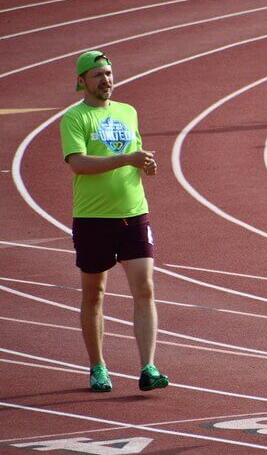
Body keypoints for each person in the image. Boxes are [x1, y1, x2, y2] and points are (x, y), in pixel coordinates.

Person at [60, 51, 169, 393]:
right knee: (95, 294)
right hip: (93, 218)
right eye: (97, 75)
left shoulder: (128, 112)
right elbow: (78, 163)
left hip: (134, 213)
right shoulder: (74, 118)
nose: (106, 80)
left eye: (108, 73)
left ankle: (148, 367)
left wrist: (144, 166)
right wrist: (126, 159)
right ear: (82, 82)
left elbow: (135, 157)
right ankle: (98, 367)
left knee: (146, 288)